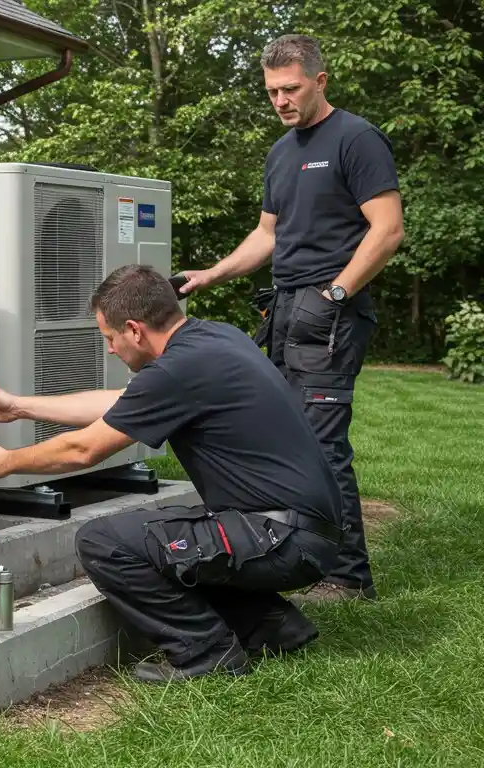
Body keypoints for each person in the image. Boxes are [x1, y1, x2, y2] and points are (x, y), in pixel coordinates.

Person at [0, 265, 345, 682]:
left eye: (110, 338)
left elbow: (83, 449)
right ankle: (270, 626)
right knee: (172, 536)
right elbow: (122, 402)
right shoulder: (213, 339)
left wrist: (8, 462)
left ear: (134, 329)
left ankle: (206, 654)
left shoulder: (177, 371)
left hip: (281, 539)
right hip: (303, 532)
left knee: (105, 542)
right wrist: (19, 407)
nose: (110, 350)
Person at [175, 34, 404, 602]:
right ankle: (291, 552)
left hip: (329, 313)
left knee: (323, 444)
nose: (280, 100)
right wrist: (212, 275)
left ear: (320, 82)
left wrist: (335, 293)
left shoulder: (356, 138)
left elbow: (388, 229)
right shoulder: (281, 152)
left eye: (291, 88)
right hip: (283, 309)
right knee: (287, 438)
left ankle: (348, 576)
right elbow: (266, 236)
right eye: (272, 91)